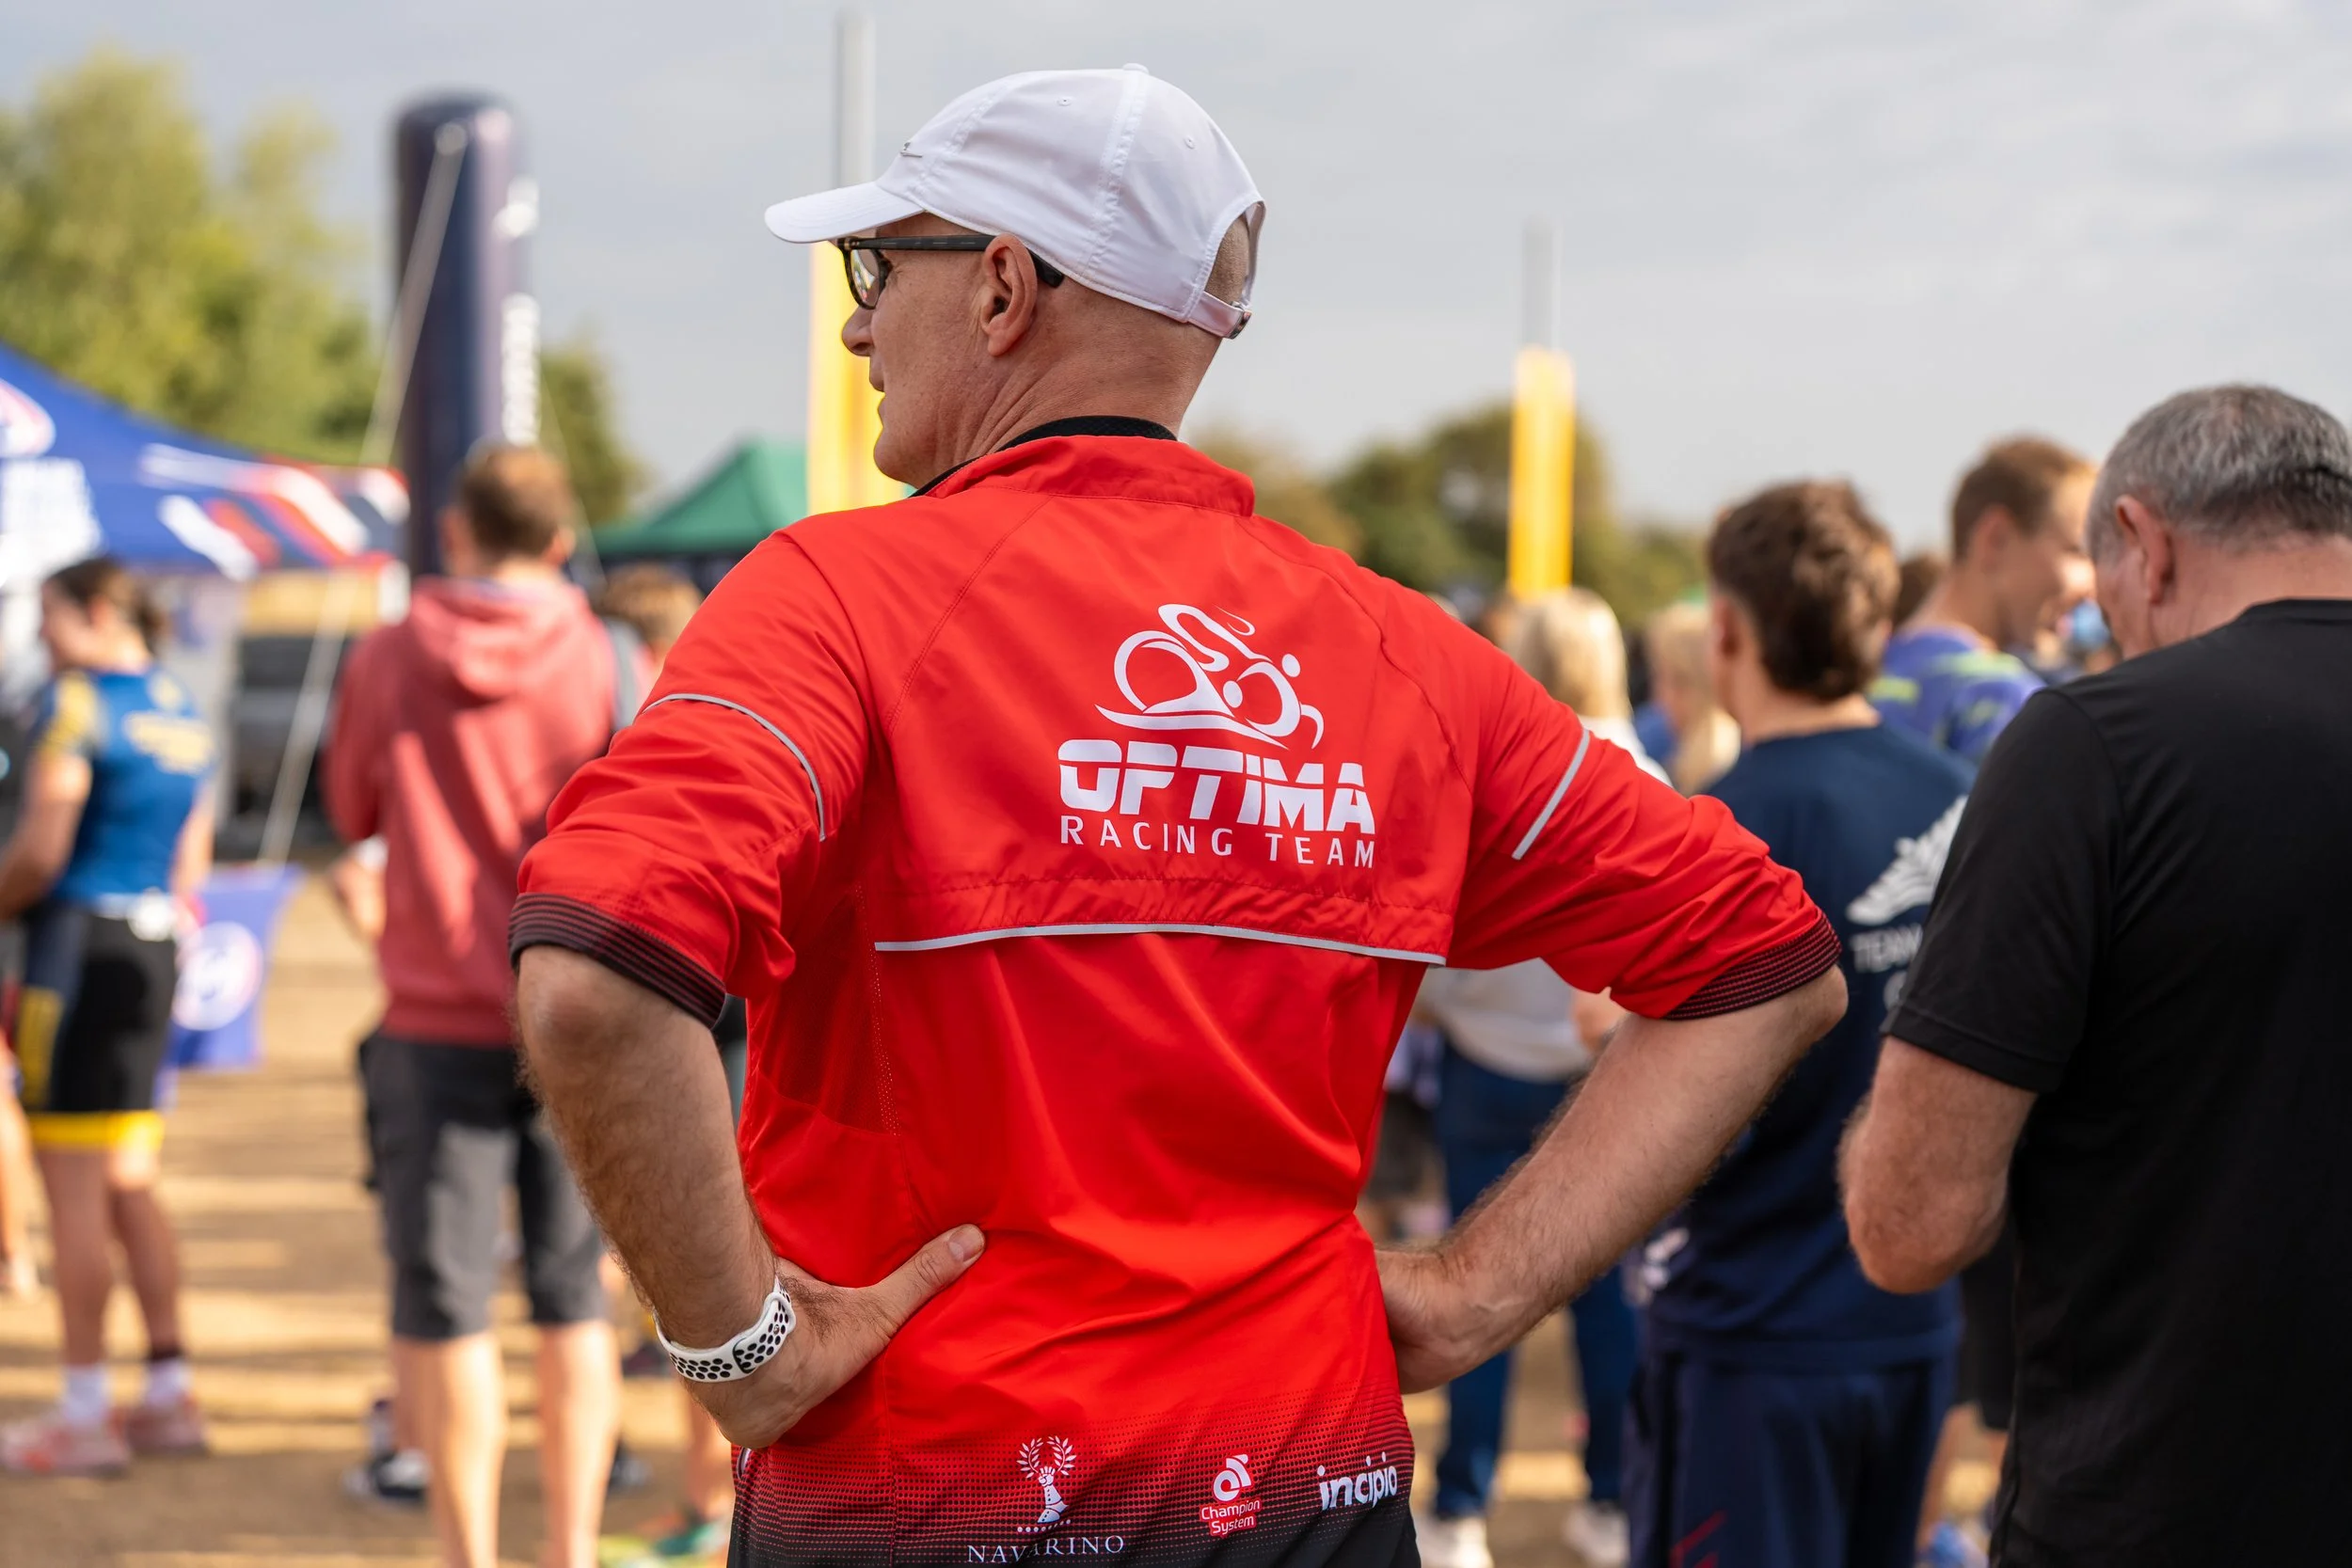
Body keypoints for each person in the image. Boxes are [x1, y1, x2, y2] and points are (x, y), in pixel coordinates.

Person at [507, 65, 1845, 1568]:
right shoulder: (1400, 653)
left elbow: (592, 971)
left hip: (927, 1494)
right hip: (1306, 1500)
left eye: (882, 265)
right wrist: (1479, 1289)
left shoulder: (836, 599)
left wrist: (736, 1347)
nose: (857, 321)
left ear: (1005, 287)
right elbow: (1765, 963)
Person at [1841, 385, 2352, 1567]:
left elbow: (1910, 1222)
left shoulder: (2095, 743)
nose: (2104, 627)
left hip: (2163, 1502)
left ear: (2146, 541)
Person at [1622, 483, 1970, 1568]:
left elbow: (1661, 1102)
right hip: (1914, 1323)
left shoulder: (1715, 827)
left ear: (1726, 626)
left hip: (1750, 1335)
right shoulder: (1969, 798)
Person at [326, 445, 636, 1568]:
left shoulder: (388, 652)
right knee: (571, 1296)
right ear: (560, 542)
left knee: (442, 1301)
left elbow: (351, 802)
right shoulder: (603, 652)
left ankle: (467, 1555)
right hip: (571, 1003)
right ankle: (572, 1548)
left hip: (428, 1009)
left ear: (453, 531)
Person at [1413, 589, 1655, 1568]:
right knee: (1604, 1298)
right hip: (1600, 1072)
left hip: (1486, 1065)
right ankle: (1608, 1499)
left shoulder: (1482, 761)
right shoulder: (1640, 767)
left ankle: (1463, 1509)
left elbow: (1427, 935)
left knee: (1475, 1296)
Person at [0, 558, 215, 1476]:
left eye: (48, 617)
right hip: (154, 943)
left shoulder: (78, 703)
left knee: (74, 1189)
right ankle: (168, 1389)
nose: (40, 637)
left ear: (93, 612)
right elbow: (193, 857)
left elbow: (44, 842)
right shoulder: (181, 702)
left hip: (75, 952)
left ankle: (83, 1407)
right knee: (131, 1175)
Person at [590, 562, 738, 1568]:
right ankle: (710, 1501)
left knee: (695, 1279)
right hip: (740, 1037)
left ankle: (712, 1506)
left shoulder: (652, 740)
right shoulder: (750, 714)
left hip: (691, 1036)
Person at [1872, 438, 2093, 764]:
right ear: (1995, 538)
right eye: (2077, 552)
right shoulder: (2006, 699)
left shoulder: (1864, 675)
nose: (2093, 586)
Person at [1644, 601, 1740, 793]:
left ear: (1684, 685)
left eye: (1660, 676)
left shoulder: (1692, 772)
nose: (1657, 697)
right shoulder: (1736, 752)